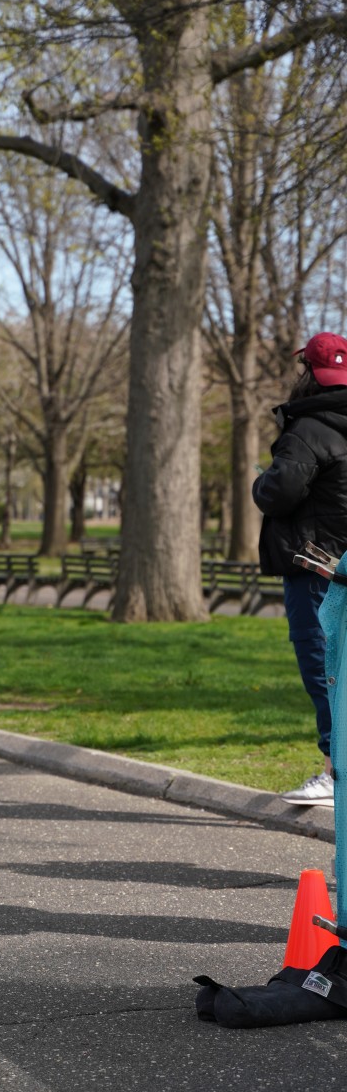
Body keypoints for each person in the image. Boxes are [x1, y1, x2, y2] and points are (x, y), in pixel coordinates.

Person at [253, 331, 347, 807]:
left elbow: (279, 491)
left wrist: (260, 483)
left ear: (307, 373)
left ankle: (335, 772)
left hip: (316, 568)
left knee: (323, 668)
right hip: (345, 564)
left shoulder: (307, 429)